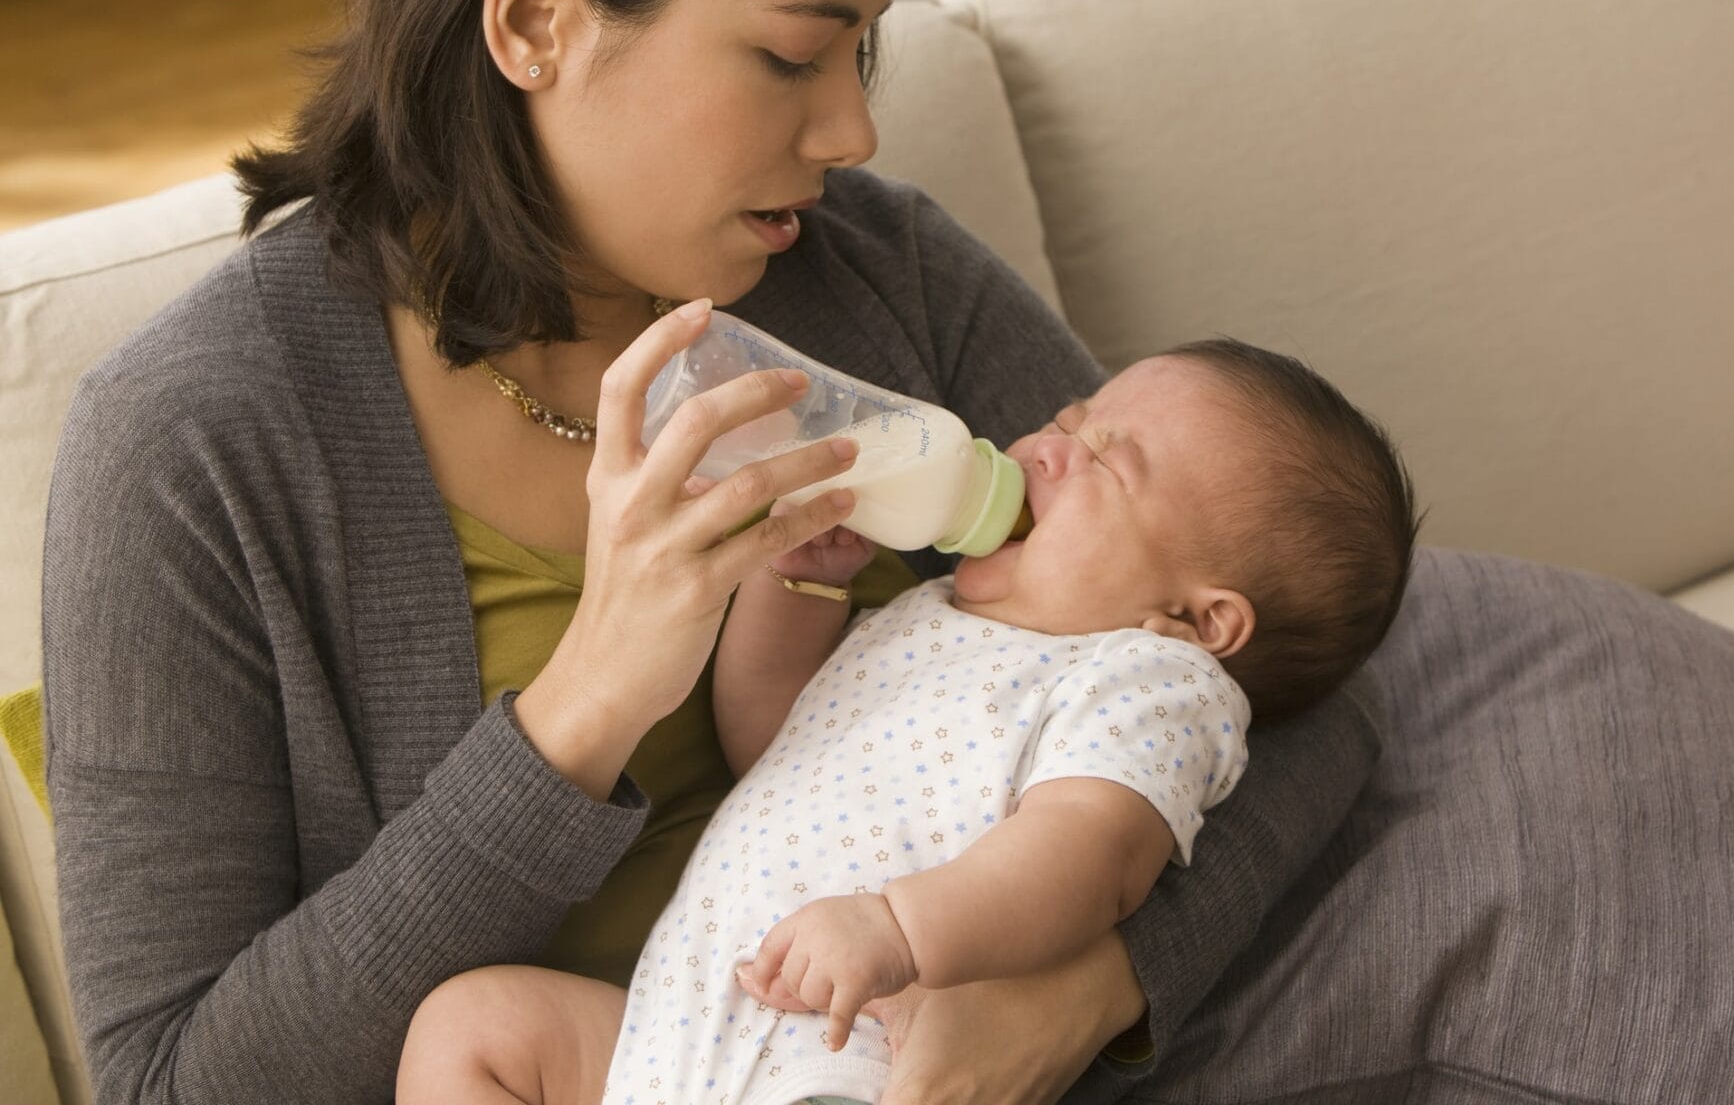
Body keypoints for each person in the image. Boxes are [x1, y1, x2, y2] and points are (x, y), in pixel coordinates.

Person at [40, 0, 1369, 1102]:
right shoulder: (191, 449)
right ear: (535, 22)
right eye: (794, 56)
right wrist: (585, 707)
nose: (852, 132)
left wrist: (1088, 990)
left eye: (864, 51)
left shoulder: (868, 274)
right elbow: (175, 1081)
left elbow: (1283, 689)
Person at [393, 338, 1421, 1104]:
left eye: (1106, 461)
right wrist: (794, 591)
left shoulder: (1148, 681)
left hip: (849, 1054)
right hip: (686, 1024)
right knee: (474, 1027)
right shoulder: (931, 613)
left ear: (1200, 618)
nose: (1047, 449)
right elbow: (776, 743)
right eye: (1066, 420)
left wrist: (900, 926)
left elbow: (1091, 856)